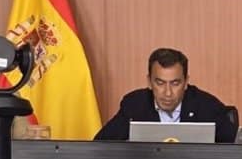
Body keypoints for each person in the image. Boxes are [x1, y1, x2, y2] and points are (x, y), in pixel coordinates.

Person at [95, 48, 234, 142]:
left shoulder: (208, 107)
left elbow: (236, 150)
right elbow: (100, 147)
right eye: (160, 83)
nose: (168, 93)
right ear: (149, 82)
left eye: (175, 83)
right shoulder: (134, 105)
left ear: (186, 82)